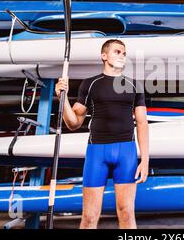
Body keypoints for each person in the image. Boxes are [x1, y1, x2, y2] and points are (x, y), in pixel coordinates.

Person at [55, 39, 149, 229]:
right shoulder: (90, 84)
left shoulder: (135, 85)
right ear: (104, 56)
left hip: (126, 152)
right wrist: (62, 99)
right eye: (117, 51)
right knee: (89, 217)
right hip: (97, 152)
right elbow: (73, 123)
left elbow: (142, 122)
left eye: (124, 53)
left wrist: (145, 160)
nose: (122, 55)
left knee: (126, 212)